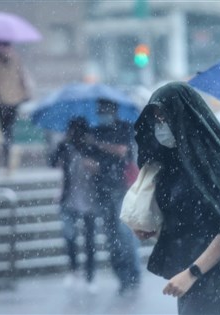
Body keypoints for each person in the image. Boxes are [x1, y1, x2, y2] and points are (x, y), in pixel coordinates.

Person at [134, 82, 220, 315]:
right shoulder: (178, 165)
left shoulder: (217, 163)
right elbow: (191, 221)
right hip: (194, 283)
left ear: (183, 116)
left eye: (165, 116)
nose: (160, 126)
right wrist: (155, 230)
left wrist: (191, 273)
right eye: (156, 119)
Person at [81, 98, 140, 294]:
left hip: (122, 187)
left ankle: (133, 274)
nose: (103, 113)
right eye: (100, 110)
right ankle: (122, 277)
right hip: (102, 189)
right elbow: (89, 159)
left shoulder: (124, 127)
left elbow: (122, 150)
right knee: (111, 235)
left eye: (106, 109)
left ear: (114, 110)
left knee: (123, 234)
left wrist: (97, 143)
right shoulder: (95, 130)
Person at [49, 118, 98, 293]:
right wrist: (61, 145)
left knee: (90, 240)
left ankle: (90, 276)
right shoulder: (65, 146)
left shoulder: (92, 148)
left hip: (90, 199)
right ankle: (73, 270)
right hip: (68, 199)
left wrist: (94, 166)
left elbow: (103, 170)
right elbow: (52, 162)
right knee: (69, 236)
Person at [0, 41, 30, 168]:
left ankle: (8, 152)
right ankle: (10, 149)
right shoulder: (15, 57)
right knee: (9, 128)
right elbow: (23, 77)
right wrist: (26, 94)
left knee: (3, 130)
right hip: (15, 100)